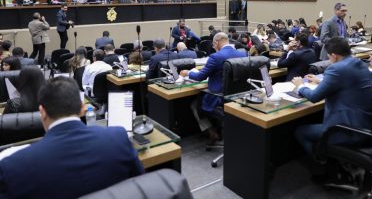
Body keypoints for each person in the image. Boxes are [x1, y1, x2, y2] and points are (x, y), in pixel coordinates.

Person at [0, 77, 144, 198]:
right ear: (82, 108)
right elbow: (141, 184)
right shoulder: (118, 137)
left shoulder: (11, 166)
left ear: (42, 112)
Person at [292, 37, 372, 158]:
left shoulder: (336, 68)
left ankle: (321, 160)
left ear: (334, 55)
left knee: (300, 131)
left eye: (329, 57)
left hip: (344, 129)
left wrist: (300, 86)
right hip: (364, 124)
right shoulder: (360, 63)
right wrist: (321, 82)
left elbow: (314, 97)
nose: (329, 60)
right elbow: (346, 82)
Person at [179, 32, 246, 138]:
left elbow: (200, 77)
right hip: (237, 98)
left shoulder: (215, 57)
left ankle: (211, 132)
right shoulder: (242, 54)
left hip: (218, 98)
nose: (214, 48)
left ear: (217, 42)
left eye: (214, 45)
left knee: (195, 104)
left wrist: (187, 72)